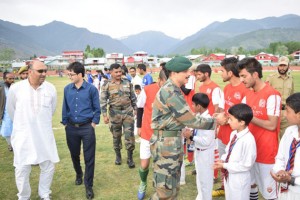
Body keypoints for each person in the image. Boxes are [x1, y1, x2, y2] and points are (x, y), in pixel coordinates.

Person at [150, 56, 216, 200]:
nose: (189, 74)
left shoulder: (174, 90)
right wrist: (216, 122)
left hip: (171, 142)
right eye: (185, 71)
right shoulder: (170, 92)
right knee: (165, 192)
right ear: (174, 72)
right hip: (166, 146)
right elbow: (190, 119)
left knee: (172, 188)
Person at [7, 60, 59, 200]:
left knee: (48, 165)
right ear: (30, 71)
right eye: (40, 71)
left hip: (44, 134)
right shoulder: (16, 88)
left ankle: (44, 194)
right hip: (23, 135)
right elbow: (12, 111)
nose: (44, 74)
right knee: (22, 168)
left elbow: (51, 110)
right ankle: (24, 196)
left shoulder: (51, 88)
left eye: (45, 71)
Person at [237, 57, 281, 200]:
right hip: (250, 149)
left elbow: (272, 125)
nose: (241, 80)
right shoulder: (247, 93)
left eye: (244, 76)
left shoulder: (272, 94)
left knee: (270, 192)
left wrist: (248, 117)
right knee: (250, 185)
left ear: (255, 74)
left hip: (266, 152)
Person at [62, 62, 100, 199]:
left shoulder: (91, 89)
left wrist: (94, 123)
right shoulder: (67, 89)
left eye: (71, 74)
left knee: (89, 158)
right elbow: (65, 107)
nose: (69, 77)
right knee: (74, 154)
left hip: (87, 128)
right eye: (69, 74)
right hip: (71, 128)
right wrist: (65, 123)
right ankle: (79, 173)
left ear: (79, 74)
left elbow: (97, 109)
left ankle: (88, 185)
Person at [213, 57, 250, 197]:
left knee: (234, 166)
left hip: (235, 136)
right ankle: (224, 186)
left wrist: (226, 120)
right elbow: (224, 108)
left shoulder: (245, 89)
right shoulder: (227, 87)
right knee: (223, 163)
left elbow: (245, 116)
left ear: (230, 73)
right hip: (223, 133)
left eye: (222, 71)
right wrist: (219, 119)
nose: (220, 73)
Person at [136, 68, 169, 200]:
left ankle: (159, 189)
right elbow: (139, 107)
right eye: (165, 83)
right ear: (160, 80)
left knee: (160, 164)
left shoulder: (172, 91)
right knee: (144, 164)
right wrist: (138, 126)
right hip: (147, 132)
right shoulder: (148, 90)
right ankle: (143, 183)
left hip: (163, 135)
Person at [213, 103, 257, 200]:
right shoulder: (234, 134)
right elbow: (228, 151)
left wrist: (224, 165)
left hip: (239, 179)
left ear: (242, 122)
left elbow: (246, 165)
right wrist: (223, 160)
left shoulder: (248, 140)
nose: (228, 121)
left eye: (231, 119)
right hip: (230, 176)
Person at [100, 63, 136, 168]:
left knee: (129, 135)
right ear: (111, 72)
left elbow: (133, 97)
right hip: (114, 114)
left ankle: (130, 158)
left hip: (128, 112)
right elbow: (103, 101)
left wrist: (136, 109)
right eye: (116, 72)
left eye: (120, 71)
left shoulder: (128, 83)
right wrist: (104, 115)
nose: (119, 74)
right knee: (116, 136)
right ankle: (118, 156)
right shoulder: (106, 84)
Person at [183, 93, 215, 200]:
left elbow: (206, 141)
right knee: (200, 180)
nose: (192, 106)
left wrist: (191, 137)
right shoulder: (198, 117)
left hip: (205, 154)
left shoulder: (208, 121)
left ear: (199, 106)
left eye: (193, 105)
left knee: (206, 183)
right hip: (199, 151)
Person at [271, 92, 300, 200]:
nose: (284, 114)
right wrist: (280, 171)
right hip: (285, 189)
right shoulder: (289, 131)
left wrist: (292, 180)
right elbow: (280, 157)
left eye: (287, 111)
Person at [266, 56, 294, 139]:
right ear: (277, 66)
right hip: (273, 113)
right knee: (272, 137)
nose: (282, 68)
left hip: (286, 113)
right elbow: (265, 95)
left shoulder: (291, 79)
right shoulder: (271, 78)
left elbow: (291, 95)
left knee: (285, 137)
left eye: (284, 66)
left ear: (288, 66)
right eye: (281, 65)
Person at [0, 72, 15, 151]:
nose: (12, 80)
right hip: (5, 114)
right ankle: (10, 144)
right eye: (10, 79)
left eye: (13, 78)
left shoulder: (16, 87)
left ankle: (15, 145)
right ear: (5, 79)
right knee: (6, 131)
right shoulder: (1, 88)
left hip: (16, 113)